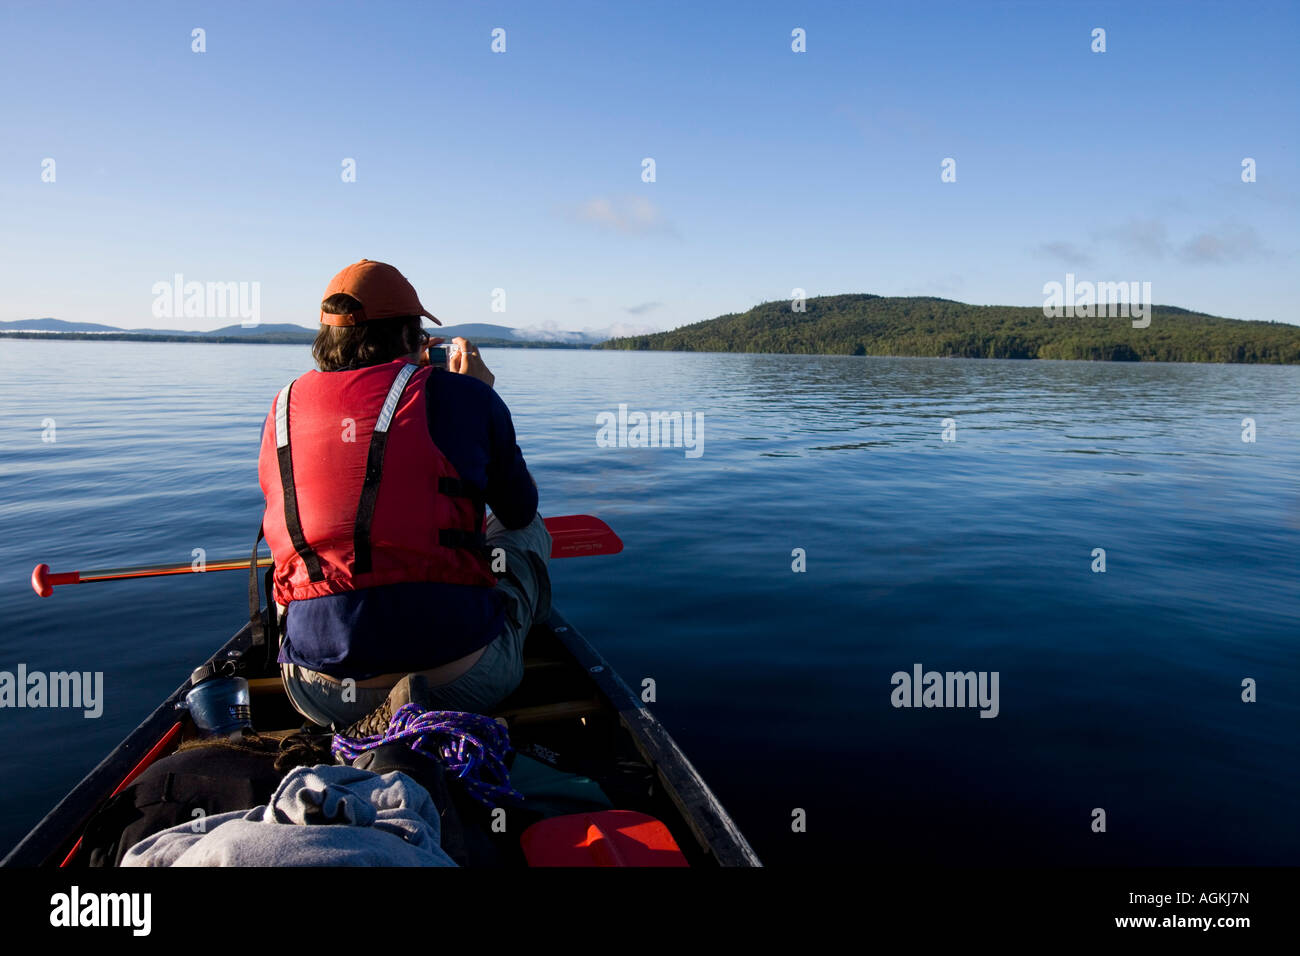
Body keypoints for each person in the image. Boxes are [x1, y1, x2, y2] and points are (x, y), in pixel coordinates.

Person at [257, 259, 550, 730]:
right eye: (416, 334)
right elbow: (519, 508)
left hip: (318, 690)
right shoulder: (466, 397)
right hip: (461, 682)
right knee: (525, 530)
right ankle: (518, 631)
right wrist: (479, 395)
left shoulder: (283, 405)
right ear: (404, 337)